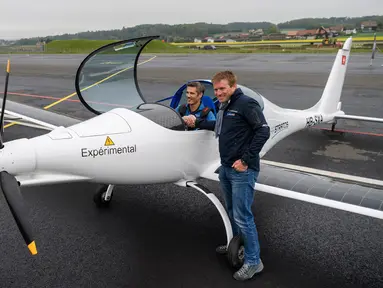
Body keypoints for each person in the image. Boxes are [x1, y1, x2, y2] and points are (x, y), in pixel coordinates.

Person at [186, 71, 270, 281]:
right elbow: (220, 126)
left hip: (242, 169)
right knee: (232, 211)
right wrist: (196, 123)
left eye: (222, 88)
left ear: (233, 86)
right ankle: (235, 241)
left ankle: (253, 262)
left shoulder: (246, 104)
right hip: (226, 167)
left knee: (243, 216)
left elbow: (263, 131)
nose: (219, 92)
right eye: (216, 90)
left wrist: (246, 160)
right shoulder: (225, 105)